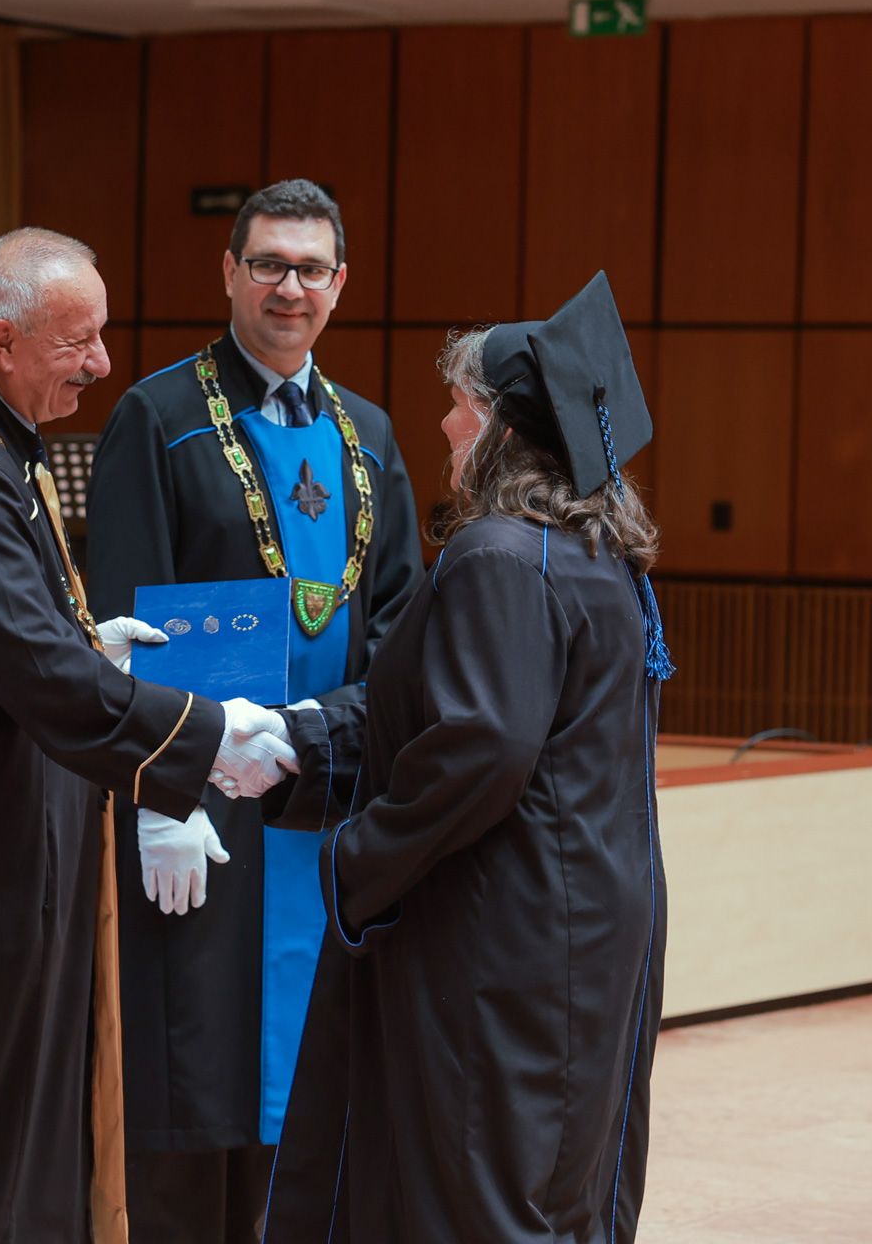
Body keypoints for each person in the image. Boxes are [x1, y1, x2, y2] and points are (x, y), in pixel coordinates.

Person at [0, 226, 296, 1244]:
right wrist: (202, 734)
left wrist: (90, 645)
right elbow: (29, 664)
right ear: (4, 340)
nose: (101, 364)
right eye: (79, 341)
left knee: (23, 1143)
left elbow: (8, 642)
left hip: (4, 852)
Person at [261, 271, 673, 1242]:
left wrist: (358, 858)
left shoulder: (497, 553)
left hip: (501, 927)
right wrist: (298, 741)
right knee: (552, 1184)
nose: (445, 425)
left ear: (503, 428)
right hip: (582, 917)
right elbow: (459, 716)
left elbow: (481, 744)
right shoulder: (591, 553)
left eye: (460, 405)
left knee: (476, 1189)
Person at [85, 178, 423, 1241]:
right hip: (202, 811)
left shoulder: (370, 435)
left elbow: (402, 631)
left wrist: (334, 741)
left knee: (314, 1087)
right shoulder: (159, 418)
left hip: (322, 803)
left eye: (311, 269)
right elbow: (123, 620)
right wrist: (161, 791)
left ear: (341, 284)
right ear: (229, 272)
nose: (290, 288)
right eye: (269, 264)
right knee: (196, 1075)